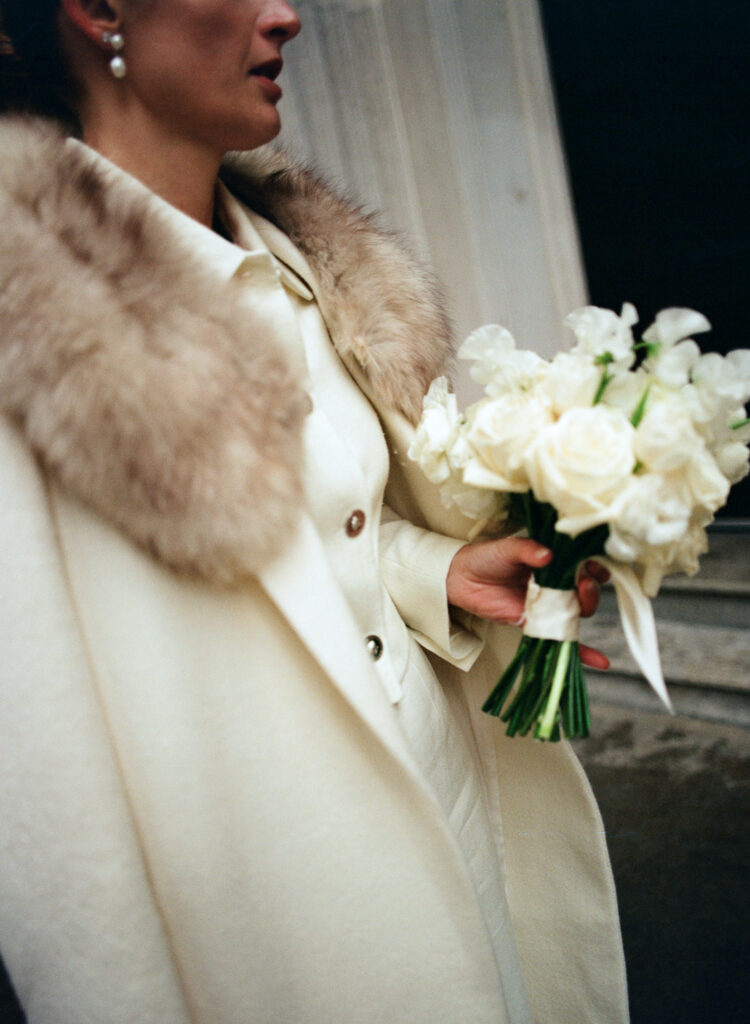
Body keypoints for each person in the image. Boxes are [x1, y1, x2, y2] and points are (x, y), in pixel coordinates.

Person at [0, 2, 628, 1022]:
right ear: (100, 9)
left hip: (456, 817)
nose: (286, 13)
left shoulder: (302, 264)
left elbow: (318, 539)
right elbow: (48, 811)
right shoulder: (23, 318)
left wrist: (435, 571)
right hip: (284, 932)